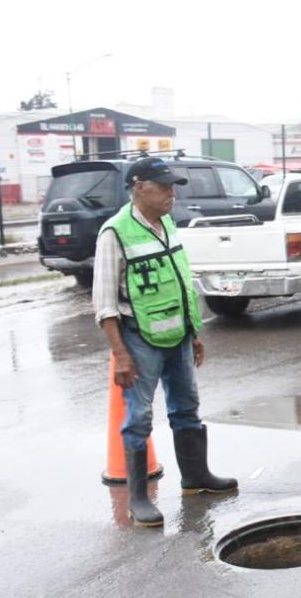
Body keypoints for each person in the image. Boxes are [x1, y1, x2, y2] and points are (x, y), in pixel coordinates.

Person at [93, 157, 237, 528]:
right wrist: (120, 355)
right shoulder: (115, 233)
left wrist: (194, 332)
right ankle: (138, 498)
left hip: (178, 337)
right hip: (139, 340)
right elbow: (106, 303)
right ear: (139, 187)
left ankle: (196, 477)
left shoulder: (167, 223)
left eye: (173, 187)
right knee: (139, 417)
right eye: (164, 187)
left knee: (187, 407)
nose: (172, 193)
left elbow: (180, 281)